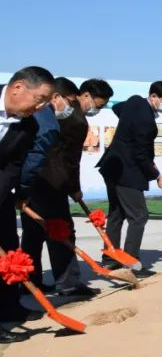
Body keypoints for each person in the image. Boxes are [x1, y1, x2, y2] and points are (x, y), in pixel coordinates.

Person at [21, 78, 112, 297]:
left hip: (32, 180)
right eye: (98, 105)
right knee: (62, 231)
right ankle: (68, 283)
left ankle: (30, 281)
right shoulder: (77, 120)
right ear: (86, 95)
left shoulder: (44, 113)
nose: (96, 110)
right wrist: (74, 188)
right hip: (53, 183)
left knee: (33, 232)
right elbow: (70, 160)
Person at [95, 80, 162, 274]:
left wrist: (126, 131)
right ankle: (130, 263)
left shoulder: (134, 101)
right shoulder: (146, 121)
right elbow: (141, 154)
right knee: (138, 215)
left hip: (112, 166)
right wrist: (157, 175)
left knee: (116, 213)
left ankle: (110, 257)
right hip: (127, 172)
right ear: (154, 97)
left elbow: (119, 109)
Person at [0, 66, 56, 338]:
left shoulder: (28, 125)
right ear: (18, 87)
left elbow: (13, 165)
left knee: (10, 251)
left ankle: (10, 308)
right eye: (40, 99)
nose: (42, 106)